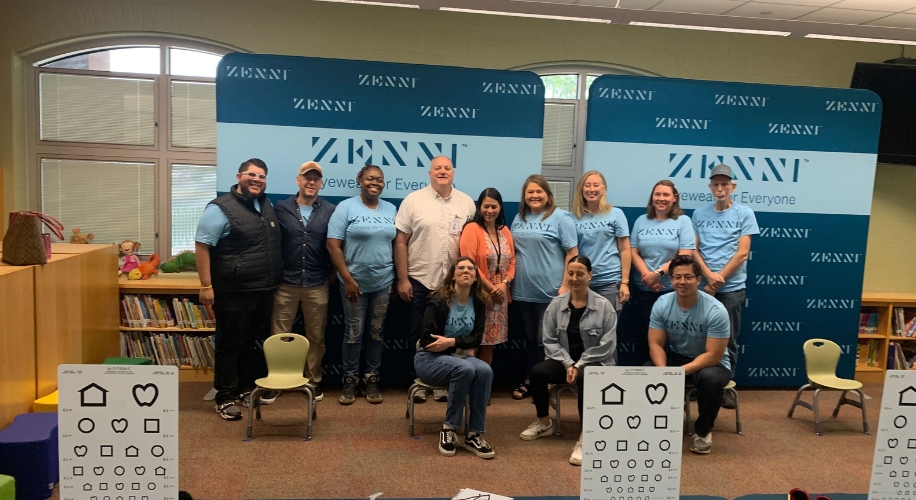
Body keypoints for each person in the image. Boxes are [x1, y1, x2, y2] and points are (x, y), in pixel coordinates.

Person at [195, 158, 282, 421]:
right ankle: (224, 397)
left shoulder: (265, 204)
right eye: (252, 175)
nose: (257, 180)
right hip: (233, 291)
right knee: (230, 344)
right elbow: (202, 246)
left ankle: (244, 388)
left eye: (262, 177)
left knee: (248, 343)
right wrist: (206, 286)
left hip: (262, 290)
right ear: (239, 176)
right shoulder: (220, 209)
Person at [519, 255, 617, 466]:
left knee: (586, 378)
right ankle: (544, 423)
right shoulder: (555, 305)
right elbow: (549, 340)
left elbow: (607, 346)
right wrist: (567, 364)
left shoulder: (604, 306)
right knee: (537, 373)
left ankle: (587, 435)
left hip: (595, 362)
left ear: (590, 276)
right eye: (570, 273)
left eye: (580, 273)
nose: (574, 278)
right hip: (565, 361)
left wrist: (579, 365)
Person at [395, 156, 477, 403]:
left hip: (453, 284)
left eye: (447, 168)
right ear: (430, 173)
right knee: (417, 333)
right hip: (419, 279)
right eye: (438, 168)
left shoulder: (466, 204)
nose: (443, 171)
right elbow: (400, 241)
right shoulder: (413, 201)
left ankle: (444, 382)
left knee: (449, 332)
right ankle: (419, 382)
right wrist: (402, 279)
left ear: (453, 173)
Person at [327, 164, 397, 405]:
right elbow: (333, 246)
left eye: (379, 179)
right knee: (353, 334)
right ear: (360, 180)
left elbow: (396, 244)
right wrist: (347, 279)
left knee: (376, 334)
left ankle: (371, 378)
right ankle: (349, 379)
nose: (374, 182)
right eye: (369, 178)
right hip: (353, 284)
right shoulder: (346, 207)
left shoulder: (391, 208)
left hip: (383, 283)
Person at [648, 254, 730, 455]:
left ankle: (702, 431)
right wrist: (663, 372)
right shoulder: (662, 303)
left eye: (688, 277)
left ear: (698, 280)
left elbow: (713, 355)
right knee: (646, 372)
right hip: (677, 356)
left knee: (709, 379)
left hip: (711, 362)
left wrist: (678, 373)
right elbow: (655, 343)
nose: (681, 282)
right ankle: (656, 426)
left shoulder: (716, 310)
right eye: (677, 277)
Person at [414, 256, 495, 459]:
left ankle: (474, 434)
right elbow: (427, 340)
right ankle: (449, 429)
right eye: (461, 268)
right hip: (429, 359)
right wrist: (459, 345)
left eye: (471, 269)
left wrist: (451, 342)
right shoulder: (439, 300)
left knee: (485, 369)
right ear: (453, 275)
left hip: (458, 355)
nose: (466, 271)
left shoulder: (478, 303)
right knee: (466, 369)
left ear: (476, 277)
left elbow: (476, 338)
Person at [692, 164, 759, 408]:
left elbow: (742, 253)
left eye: (724, 184)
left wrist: (718, 279)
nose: (720, 188)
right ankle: (701, 383)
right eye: (716, 184)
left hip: (732, 289)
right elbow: (694, 250)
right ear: (710, 187)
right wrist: (709, 277)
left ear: (733, 187)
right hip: (704, 285)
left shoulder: (745, 213)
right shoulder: (699, 214)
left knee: (728, 338)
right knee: (699, 337)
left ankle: (725, 387)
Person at [269, 161, 336, 402]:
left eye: (316, 178)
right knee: (279, 335)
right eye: (307, 177)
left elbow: (336, 245)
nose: (311, 182)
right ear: (298, 180)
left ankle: (313, 380)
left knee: (316, 337)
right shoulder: (280, 208)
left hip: (317, 283)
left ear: (321, 183)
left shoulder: (330, 210)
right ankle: (276, 379)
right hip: (285, 283)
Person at [510, 174, 578, 400]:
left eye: (539, 191)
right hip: (523, 291)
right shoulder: (520, 218)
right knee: (531, 339)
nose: (534, 195)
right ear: (524, 196)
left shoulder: (561, 217)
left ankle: (543, 382)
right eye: (530, 192)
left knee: (545, 339)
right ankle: (532, 380)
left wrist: (565, 285)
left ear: (548, 194)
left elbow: (572, 253)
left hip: (550, 291)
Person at [630, 180, 695, 352]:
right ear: (652, 197)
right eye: (657, 194)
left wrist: (657, 274)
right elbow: (633, 251)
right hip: (644, 288)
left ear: (675, 198)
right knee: (648, 331)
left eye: (666, 195)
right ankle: (652, 372)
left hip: (672, 288)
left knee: (673, 335)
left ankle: (674, 373)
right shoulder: (641, 221)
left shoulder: (683, 221)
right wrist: (647, 277)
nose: (661, 198)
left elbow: (685, 255)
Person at [459, 188, 516, 366]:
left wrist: (504, 284)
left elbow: (512, 261)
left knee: (489, 344)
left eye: (494, 206)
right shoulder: (471, 228)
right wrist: (492, 290)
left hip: (499, 298)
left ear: (500, 208)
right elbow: (470, 264)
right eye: (486, 206)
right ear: (479, 207)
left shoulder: (504, 230)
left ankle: (481, 388)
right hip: (479, 296)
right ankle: (466, 386)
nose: (489, 211)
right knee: (472, 344)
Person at [571, 170, 631, 311]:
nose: (591, 189)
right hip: (581, 282)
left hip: (610, 282)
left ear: (603, 189)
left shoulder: (616, 214)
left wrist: (625, 282)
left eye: (596, 185)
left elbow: (625, 249)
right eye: (587, 185)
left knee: (607, 329)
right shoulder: (572, 217)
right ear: (581, 189)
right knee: (581, 328)